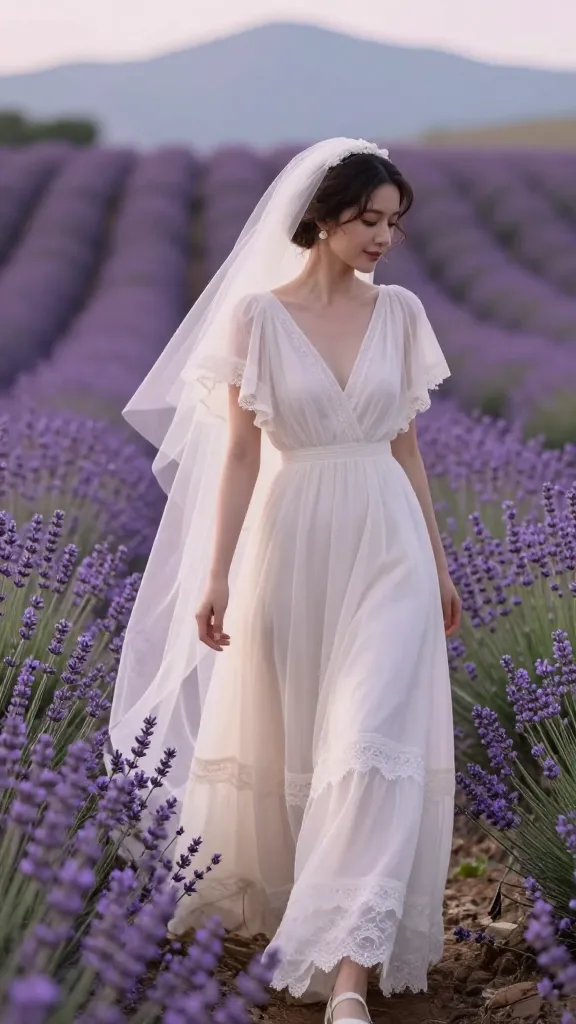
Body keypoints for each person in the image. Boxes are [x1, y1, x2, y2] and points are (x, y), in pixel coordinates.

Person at [109, 137, 461, 1022]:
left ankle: (347, 975)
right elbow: (235, 455)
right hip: (292, 538)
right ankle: (314, 917)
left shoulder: (404, 314)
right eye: (367, 219)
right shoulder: (257, 320)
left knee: (370, 744)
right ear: (320, 217)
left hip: (388, 543)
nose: (383, 237)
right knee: (308, 739)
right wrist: (216, 573)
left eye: (393, 223)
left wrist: (441, 563)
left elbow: (408, 447)